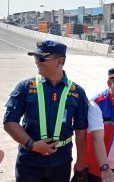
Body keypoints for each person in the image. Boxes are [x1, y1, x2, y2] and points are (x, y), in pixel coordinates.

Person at [3, 40, 88, 182]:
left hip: (61, 163)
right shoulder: (25, 87)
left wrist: (80, 162)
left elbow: (81, 131)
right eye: (36, 58)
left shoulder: (77, 92)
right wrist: (32, 144)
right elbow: (9, 122)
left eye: (42, 58)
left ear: (60, 61)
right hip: (29, 163)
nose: (37, 62)